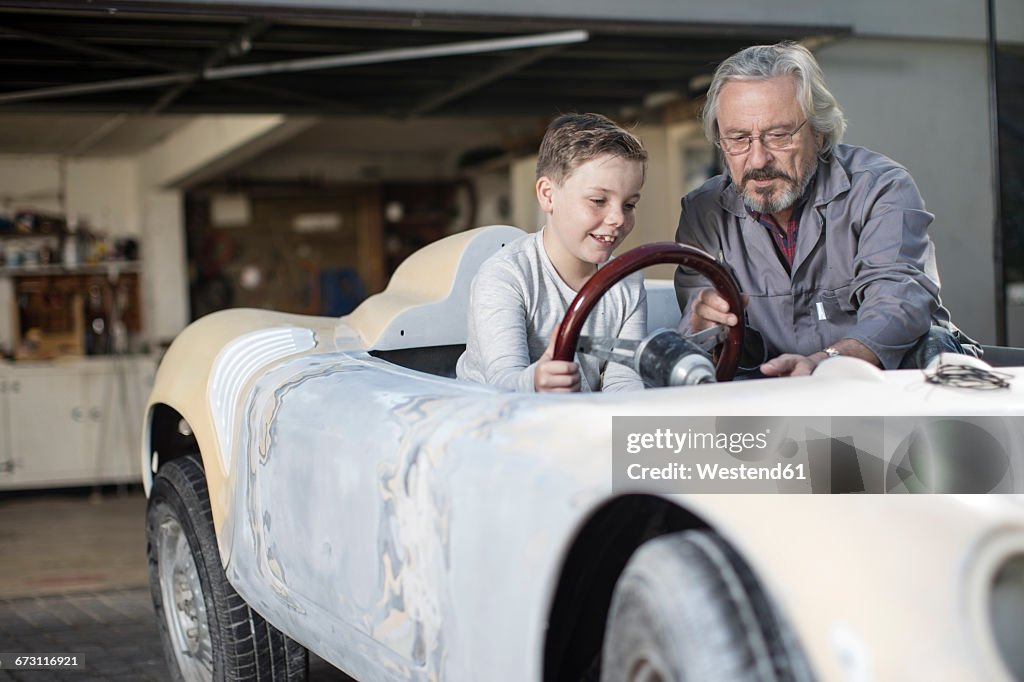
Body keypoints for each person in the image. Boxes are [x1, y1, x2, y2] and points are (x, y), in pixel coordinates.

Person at [675, 42, 977, 377]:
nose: (758, 160)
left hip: (881, 386)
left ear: (819, 133)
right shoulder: (702, 211)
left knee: (931, 344)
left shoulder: (881, 187)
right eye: (738, 138)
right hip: (769, 394)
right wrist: (701, 326)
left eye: (778, 135)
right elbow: (697, 322)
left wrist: (826, 364)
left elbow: (898, 304)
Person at [457, 112, 648, 392]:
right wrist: (536, 381)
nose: (618, 218)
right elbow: (502, 381)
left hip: (578, 423)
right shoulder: (504, 277)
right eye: (598, 200)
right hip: (496, 422)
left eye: (629, 205)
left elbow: (623, 380)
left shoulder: (627, 282)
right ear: (548, 195)